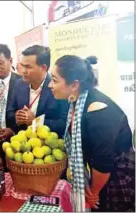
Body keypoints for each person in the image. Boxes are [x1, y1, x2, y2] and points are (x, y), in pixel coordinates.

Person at [48, 55, 135, 212]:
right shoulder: (77, 100)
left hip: (115, 174)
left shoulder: (97, 110)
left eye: (54, 80)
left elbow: (103, 162)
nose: (50, 85)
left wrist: (94, 192)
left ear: (74, 85)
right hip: (100, 171)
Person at [7, 45, 68, 136]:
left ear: (43, 68)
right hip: (22, 144)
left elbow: (64, 123)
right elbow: (10, 111)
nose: (23, 71)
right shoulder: (19, 85)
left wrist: (36, 122)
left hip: (48, 145)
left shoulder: (58, 87)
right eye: (22, 65)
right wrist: (17, 117)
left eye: (28, 67)